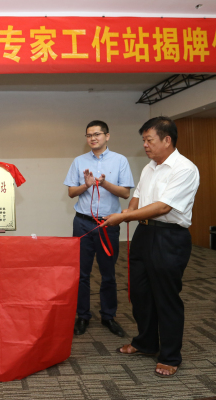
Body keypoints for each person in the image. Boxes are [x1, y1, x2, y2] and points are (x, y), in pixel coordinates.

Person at [102, 116, 200, 378]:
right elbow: (138, 196)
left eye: (149, 140)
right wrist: (129, 211)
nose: (145, 145)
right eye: (143, 140)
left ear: (167, 140)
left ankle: (170, 356)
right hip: (144, 234)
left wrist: (123, 217)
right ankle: (146, 342)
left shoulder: (185, 168)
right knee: (140, 293)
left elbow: (163, 207)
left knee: (165, 297)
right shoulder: (149, 167)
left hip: (169, 237)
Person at [64, 120, 134, 337]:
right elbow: (71, 193)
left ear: (107, 136)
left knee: (108, 273)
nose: (93, 138)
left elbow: (125, 193)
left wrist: (103, 183)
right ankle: (83, 316)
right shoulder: (79, 161)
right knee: (81, 274)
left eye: (97, 134)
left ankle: (108, 316)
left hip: (108, 223)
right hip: (83, 223)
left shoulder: (120, 160)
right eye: (89, 135)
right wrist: (86, 185)